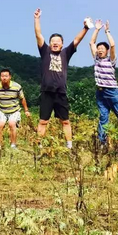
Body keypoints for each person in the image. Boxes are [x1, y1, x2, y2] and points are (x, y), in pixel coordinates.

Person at [34, 8, 90, 149]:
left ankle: (69, 146)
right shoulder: (45, 51)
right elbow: (38, 35)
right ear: (50, 43)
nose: (55, 43)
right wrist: (36, 19)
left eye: (58, 41)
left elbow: (77, 40)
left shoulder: (66, 53)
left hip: (61, 93)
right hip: (47, 92)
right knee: (43, 121)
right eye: (53, 41)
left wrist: (86, 28)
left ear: (62, 44)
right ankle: (39, 145)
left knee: (65, 121)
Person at [89, 19, 118, 145]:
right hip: (100, 92)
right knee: (103, 117)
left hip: (112, 91)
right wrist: (96, 29)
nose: (100, 50)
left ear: (106, 51)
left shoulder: (111, 60)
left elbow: (112, 45)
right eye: (99, 48)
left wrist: (107, 31)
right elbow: (91, 42)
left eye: (102, 48)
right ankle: (102, 143)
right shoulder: (96, 59)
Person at [0, 69, 31, 150]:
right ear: (0, 77)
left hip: (14, 110)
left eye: (6, 76)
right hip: (1, 110)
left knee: (12, 124)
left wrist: (26, 110)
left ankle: (13, 145)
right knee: (0, 125)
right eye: (2, 76)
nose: (4, 78)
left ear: (10, 77)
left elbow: (22, 98)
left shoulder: (17, 86)